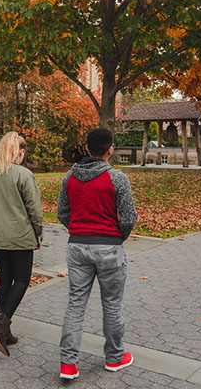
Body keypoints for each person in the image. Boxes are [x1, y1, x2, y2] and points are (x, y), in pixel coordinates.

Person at [57, 127, 137, 380]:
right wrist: (116, 236)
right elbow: (129, 217)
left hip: (77, 246)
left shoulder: (69, 177)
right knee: (112, 304)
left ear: (87, 148)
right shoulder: (117, 178)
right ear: (110, 149)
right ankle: (115, 357)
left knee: (76, 303)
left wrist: (78, 230)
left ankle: (68, 364)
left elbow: (62, 212)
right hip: (109, 247)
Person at [0, 131, 43, 356]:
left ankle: (4, 332)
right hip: (20, 236)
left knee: (5, 280)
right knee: (23, 280)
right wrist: (38, 234)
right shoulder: (24, 175)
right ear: (19, 152)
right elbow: (34, 209)